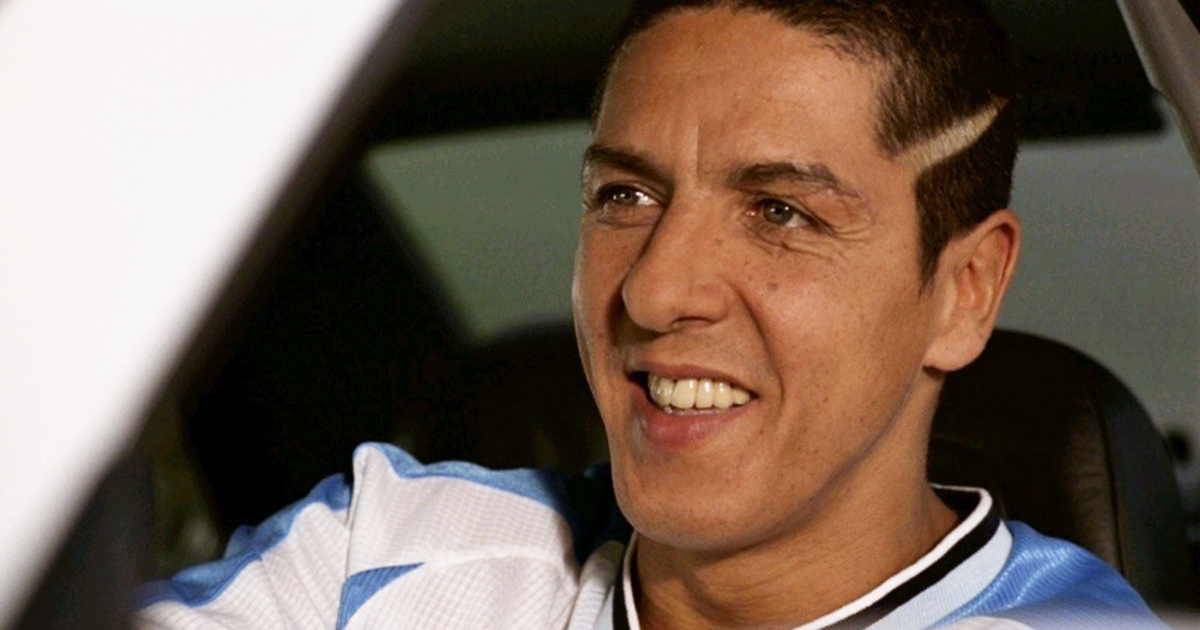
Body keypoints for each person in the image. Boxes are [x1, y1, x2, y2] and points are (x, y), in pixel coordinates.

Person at [136, 1, 1170, 629]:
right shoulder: (375, 553)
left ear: (964, 291)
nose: (655, 290)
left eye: (781, 213)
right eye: (625, 196)